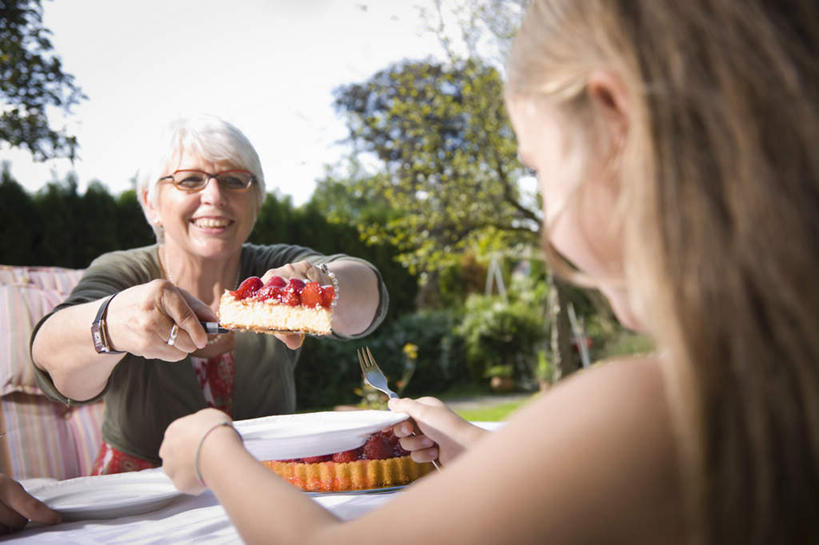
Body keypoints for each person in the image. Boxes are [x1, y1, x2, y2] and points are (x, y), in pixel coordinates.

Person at [159, 1, 819, 544]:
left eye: (538, 172)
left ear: (615, 125)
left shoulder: (658, 407)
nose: (550, 230)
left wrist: (215, 449)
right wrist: (480, 449)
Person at [30, 114, 388, 474]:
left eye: (235, 181)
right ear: (151, 203)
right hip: (142, 490)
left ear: (258, 200)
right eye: (189, 181)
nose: (214, 197)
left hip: (268, 481)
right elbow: (54, 363)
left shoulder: (276, 265)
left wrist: (318, 282)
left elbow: (367, 296)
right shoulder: (124, 272)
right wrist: (111, 323)